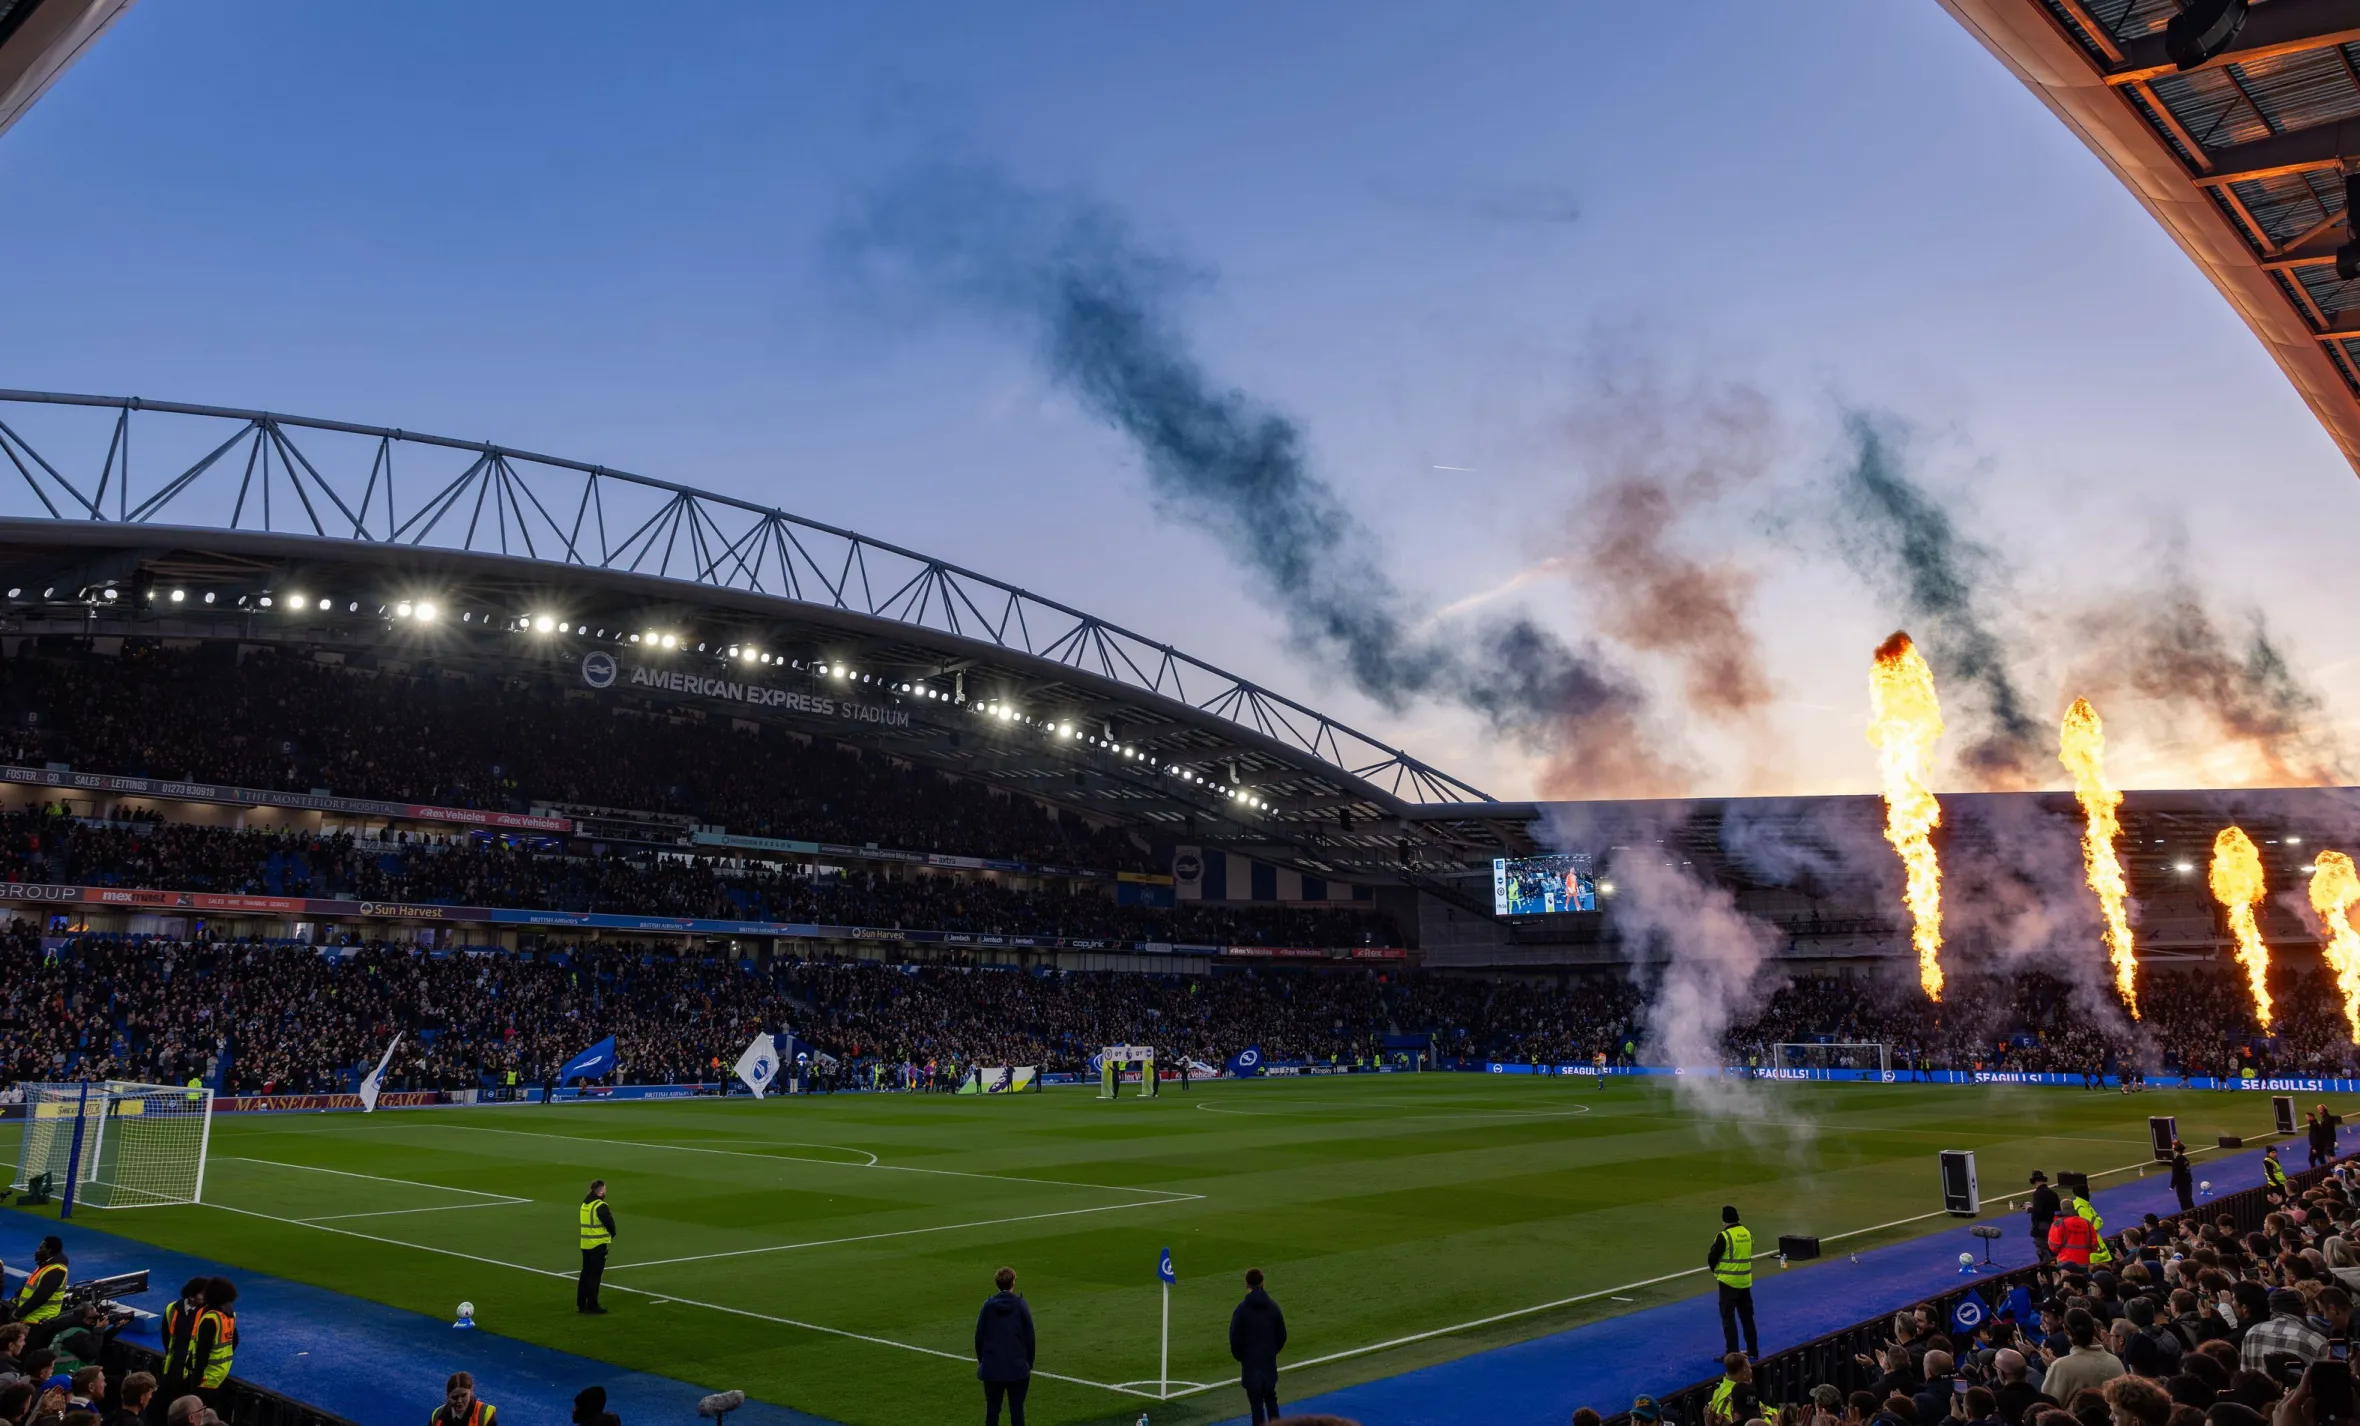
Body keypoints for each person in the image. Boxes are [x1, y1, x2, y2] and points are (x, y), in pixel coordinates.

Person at [974, 1266, 1034, 1426]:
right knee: (1017, 1409)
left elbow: (979, 1337)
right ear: (1013, 1283)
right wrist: (1029, 1363)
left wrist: (983, 1360)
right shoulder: (1020, 1305)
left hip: (992, 1367)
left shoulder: (988, 1306)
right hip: (1017, 1367)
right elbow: (1030, 1337)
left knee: (992, 1409)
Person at [1230, 1267, 1287, 1426]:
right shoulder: (1273, 1307)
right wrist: (1271, 1352)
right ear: (1262, 1283)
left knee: (1256, 1405)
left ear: (1246, 1284)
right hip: (1268, 1362)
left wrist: (1242, 1357)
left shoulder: (1241, 1310)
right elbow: (1282, 1335)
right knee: (1271, 1399)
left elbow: (1234, 1338)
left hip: (1250, 1364)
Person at [1710, 1204, 1760, 1360]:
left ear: (1724, 1220)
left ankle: (1732, 1355)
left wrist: (1717, 1271)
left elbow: (1712, 1257)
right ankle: (1753, 1350)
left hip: (1728, 1283)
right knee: (1747, 1318)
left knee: (1728, 1320)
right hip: (1745, 1282)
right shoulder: (1747, 1233)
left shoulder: (1724, 1236)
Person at [2045, 1309, 2127, 1403]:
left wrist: (2050, 1367)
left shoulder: (2061, 1366)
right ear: (2094, 1330)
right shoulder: (2115, 1361)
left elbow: (2050, 1403)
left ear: (2066, 1331)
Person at [2238, 1289, 2325, 1377]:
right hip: (2297, 1390)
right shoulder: (2316, 1341)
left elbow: (2244, 1374)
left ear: (2272, 1309)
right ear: (2303, 1309)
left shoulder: (2252, 1332)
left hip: (2258, 1390)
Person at [156, 1278, 208, 1406]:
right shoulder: (172, 1309)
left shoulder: (208, 1313)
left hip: (193, 1372)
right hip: (174, 1367)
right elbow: (166, 1335)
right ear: (191, 1296)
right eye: (204, 1293)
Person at [191, 1278, 236, 1405]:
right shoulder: (229, 1315)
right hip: (221, 1373)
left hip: (206, 1378)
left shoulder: (210, 1319)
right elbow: (234, 1340)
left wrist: (195, 1381)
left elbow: (202, 1353)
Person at [12, 1238, 66, 1331]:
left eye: (41, 1248)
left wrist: (19, 1313)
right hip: (31, 1318)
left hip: (39, 1322)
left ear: (49, 1250)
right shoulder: (45, 1266)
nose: (38, 1250)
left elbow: (41, 1296)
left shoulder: (56, 1270)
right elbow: (32, 1288)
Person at [578, 1180, 614, 1314]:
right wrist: (612, 1233)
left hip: (585, 1243)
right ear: (600, 1191)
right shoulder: (600, 1206)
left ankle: (581, 1304)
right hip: (597, 1245)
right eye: (604, 1189)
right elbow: (610, 1224)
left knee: (585, 1274)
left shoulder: (585, 1204)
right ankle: (592, 1305)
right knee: (594, 1276)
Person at [1706, 1352, 1764, 1426]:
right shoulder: (1729, 1397)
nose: (1751, 1371)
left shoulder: (1725, 1389)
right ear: (1745, 1372)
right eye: (1749, 1368)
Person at [428, 1371, 496, 1426]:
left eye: (463, 1395)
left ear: (471, 1391)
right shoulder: (437, 1415)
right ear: (448, 1396)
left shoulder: (484, 1415)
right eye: (455, 1397)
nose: (459, 1401)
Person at [2032, 1173, 2064, 1262]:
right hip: (2053, 1224)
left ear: (2036, 1181)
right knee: (2054, 1248)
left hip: (2041, 1226)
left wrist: (2030, 1209)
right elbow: (2059, 1209)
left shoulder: (2037, 1194)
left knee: (2043, 1251)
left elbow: (2038, 1211)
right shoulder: (2053, 1193)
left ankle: (2048, 1271)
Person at [2171, 1145, 2196, 1213]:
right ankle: (2193, 1212)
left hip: (2181, 1183)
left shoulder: (2176, 1161)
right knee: (2189, 1198)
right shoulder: (2185, 1159)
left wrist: (2172, 1185)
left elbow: (2176, 1174)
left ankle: (2186, 1214)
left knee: (2183, 1200)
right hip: (2188, 1181)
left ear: (2176, 1151)